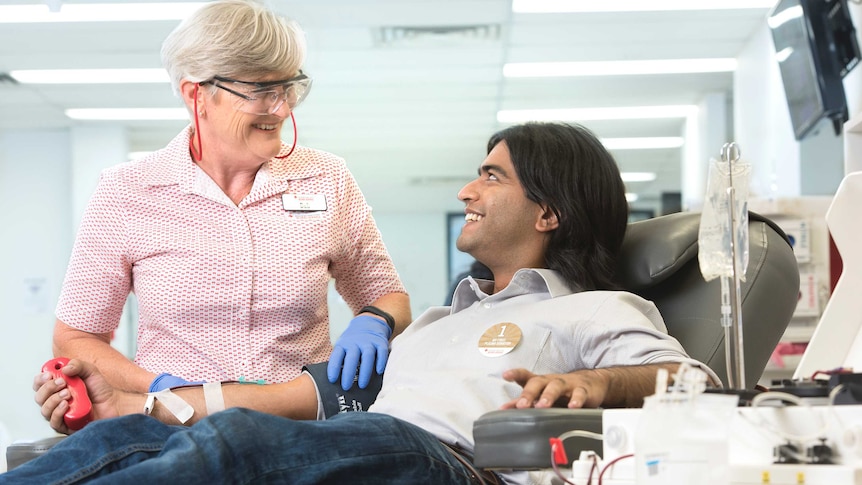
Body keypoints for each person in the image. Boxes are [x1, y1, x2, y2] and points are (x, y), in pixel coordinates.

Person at [12, 122, 720, 485]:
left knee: (234, 448)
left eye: (491, 176)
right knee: (126, 443)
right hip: (365, 445)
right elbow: (296, 398)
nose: (467, 193)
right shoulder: (445, 318)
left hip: (453, 463)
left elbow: (695, 381)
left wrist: (591, 383)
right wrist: (131, 404)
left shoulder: (595, 308)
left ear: (548, 213)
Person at [51, 0, 410, 395]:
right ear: (197, 95)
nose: (282, 107)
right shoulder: (128, 191)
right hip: (179, 427)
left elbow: (387, 295)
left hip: (301, 426)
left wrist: (375, 319)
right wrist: (157, 386)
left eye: (289, 87)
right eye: (262, 90)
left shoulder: (326, 179)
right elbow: (76, 337)